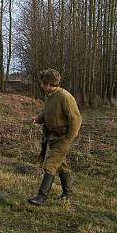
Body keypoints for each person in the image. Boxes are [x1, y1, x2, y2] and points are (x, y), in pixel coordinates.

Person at [28, 68, 82, 206]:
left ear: (49, 84)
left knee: (50, 164)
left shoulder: (65, 97)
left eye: (43, 83)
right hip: (52, 137)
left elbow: (76, 120)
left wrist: (69, 138)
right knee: (61, 165)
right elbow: (47, 112)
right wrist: (38, 119)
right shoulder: (49, 96)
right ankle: (67, 193)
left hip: (63, 138)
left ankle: (41, 197)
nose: (41, 85)